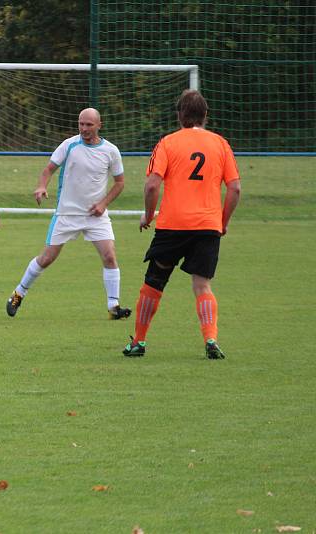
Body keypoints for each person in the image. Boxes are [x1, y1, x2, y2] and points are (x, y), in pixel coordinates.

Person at [122, 89, 241, 359]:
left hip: (173, 225)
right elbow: (234, 189)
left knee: (154, 282)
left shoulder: (167, 143)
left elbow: (152, 184)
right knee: (202, 285)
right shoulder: (221, 144)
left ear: (179, 115)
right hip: (207, 226)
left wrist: (149, 214)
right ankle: (210, 339)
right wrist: (221, 222)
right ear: (206, 115)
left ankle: (138, 342)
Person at [5, 108, 132, 320]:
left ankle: (114, 306)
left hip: (95, 215)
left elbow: (120, 183)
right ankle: (19, 293)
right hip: (67, 214)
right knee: (46, 258)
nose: (84, 128)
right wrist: (41, 186)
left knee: (110, 256)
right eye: (81, 124)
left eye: (89, 124)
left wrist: (103, 204)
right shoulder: (69, 145)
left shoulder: (111, 151)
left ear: (99, 125)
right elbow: (48, 170)